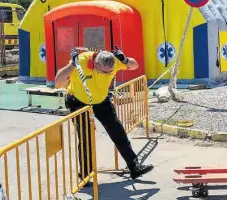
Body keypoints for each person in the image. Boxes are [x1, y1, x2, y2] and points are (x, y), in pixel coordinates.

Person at [55, 47, 154, 180]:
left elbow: (134, 65)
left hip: (101, 101)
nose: (108, 75)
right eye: (104, 72)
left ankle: (134, 167)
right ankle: (85, 175)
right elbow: (58, 81)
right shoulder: (81, 61)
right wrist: (72, 64)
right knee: (86, 138)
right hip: (79, 103)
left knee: (118, 131)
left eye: (110, 73)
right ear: (96, 63)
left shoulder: (113, 61)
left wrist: (124, 59)